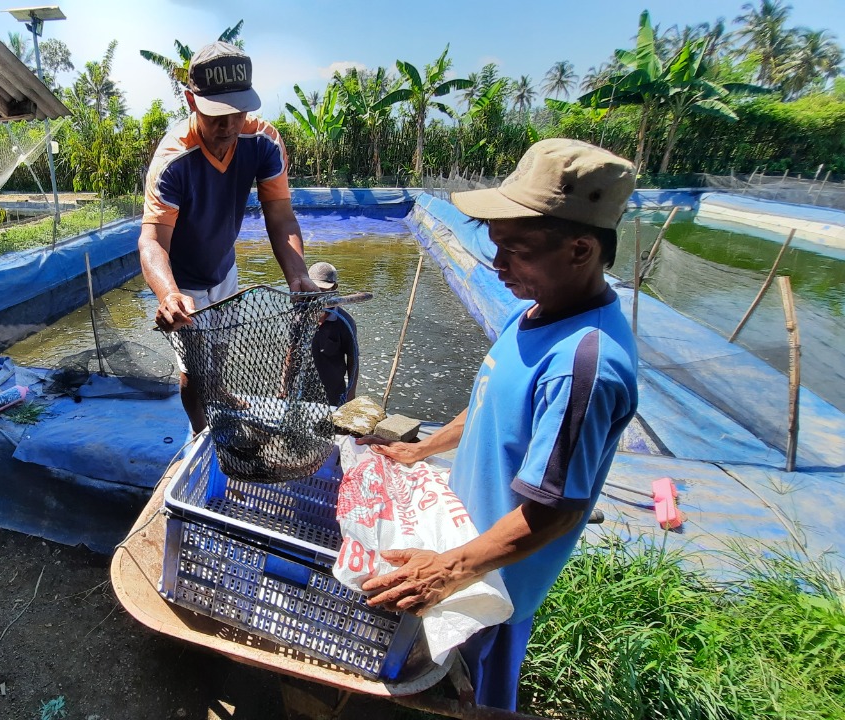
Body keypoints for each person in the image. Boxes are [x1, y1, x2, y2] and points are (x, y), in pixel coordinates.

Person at [359, 139, 639, 710]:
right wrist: (422, 451)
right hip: (462, 541)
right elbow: (489, 402)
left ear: (581, 249)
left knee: (477, 696)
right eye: (495, 245)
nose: (497, 264)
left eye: (516, 250)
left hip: (494, 583)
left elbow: (554, 511)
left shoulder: (582, 365)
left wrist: (449, 570)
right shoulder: (532, 312)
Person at [140, 41, 318, 433]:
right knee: (193, 368)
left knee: (221, 347)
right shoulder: (173, 161)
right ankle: (200, 432)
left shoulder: (263, 142)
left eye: (238, 112)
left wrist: (298, 275)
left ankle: (219, 391)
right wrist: (169, 295)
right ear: (191, 101)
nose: (229, 126)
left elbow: (281, 216)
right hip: (184, 280)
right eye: (217, 115)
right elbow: (152, 240)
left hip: (224, 267)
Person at [307, 262, 358, 406]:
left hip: (333, 392)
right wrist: (284, 386)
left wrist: (350, 394)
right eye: (315, 289)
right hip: (302, 389)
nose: (319, 295)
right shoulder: (300, 317)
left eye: (324, 290)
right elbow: (291, 353)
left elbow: (353, 360)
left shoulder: (345, 322)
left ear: (334, 288)